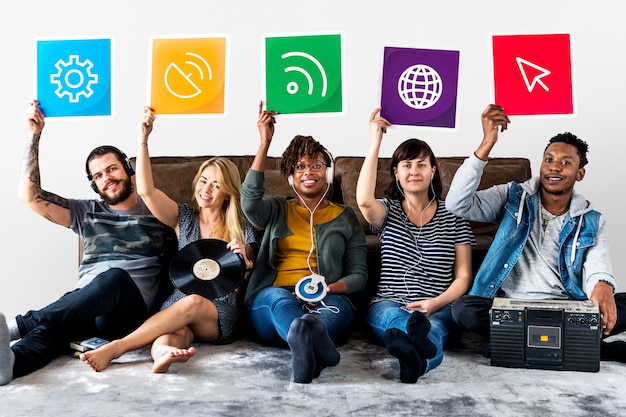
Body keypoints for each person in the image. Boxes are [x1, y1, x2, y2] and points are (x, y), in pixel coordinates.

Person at [0, 99, 175, 386]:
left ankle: (14, 327)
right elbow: (29, 196)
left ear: (128, 169)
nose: (107, 178)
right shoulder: (87, 211)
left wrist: (144, 136)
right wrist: (34, 135)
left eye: (112, 169)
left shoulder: (156, 210)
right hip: (84, 305)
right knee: (49, 328)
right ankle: (11, 364)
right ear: (94, 184)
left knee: (114, 278)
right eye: (98, 176)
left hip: (126, 313)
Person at [79, 107, 258, 373]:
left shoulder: (242, 225)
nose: (206, 190)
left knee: (194, 303)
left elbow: (247, 276)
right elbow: (145, 191)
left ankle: (116, 348)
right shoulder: (183, 217)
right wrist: (143, 138)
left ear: (229, 193)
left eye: (216, 185)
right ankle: (164, 354)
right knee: (175, 331)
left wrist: (244, 261)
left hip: (219, 308)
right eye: (204, 181)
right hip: (179, 299)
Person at [445, 104, 626, 361]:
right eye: (549, 160)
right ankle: (588, 346)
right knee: (464, 310)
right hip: (512, 306)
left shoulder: (591, 220)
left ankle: (514, 341)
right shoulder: (512, 196)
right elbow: (456, 204)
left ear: (580, 173)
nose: (554, 167)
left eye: (565, 163)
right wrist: (486, 145)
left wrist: (603, 285)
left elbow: (599, 262)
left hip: (565, 306)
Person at [240, 101, 368, 383]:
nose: (308, 172)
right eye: (300, 167)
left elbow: (359, 275)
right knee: (279, 301)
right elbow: (248, 202)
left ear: (329, 173)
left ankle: (306, 346)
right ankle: (312, 344)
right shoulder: (275, 208)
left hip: (327, 297)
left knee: (326, 314)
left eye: (316, 165)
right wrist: (264, 143)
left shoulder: (345, 218)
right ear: (290, 176)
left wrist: (325, 289)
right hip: (273, 297)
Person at [355, 108, 475, 383]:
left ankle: (415, 361)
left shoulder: (455, 214)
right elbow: (363, 200)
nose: (414, 171)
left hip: (440, 305)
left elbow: (463, 276)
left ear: (433, 171)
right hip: (390, 303)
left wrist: (435, 303)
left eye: (421, 164)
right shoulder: (387, 212)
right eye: (406, 166)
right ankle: (418, 359)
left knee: (432, 329)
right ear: (396, 173)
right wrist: (375, 141)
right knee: (400, 322)